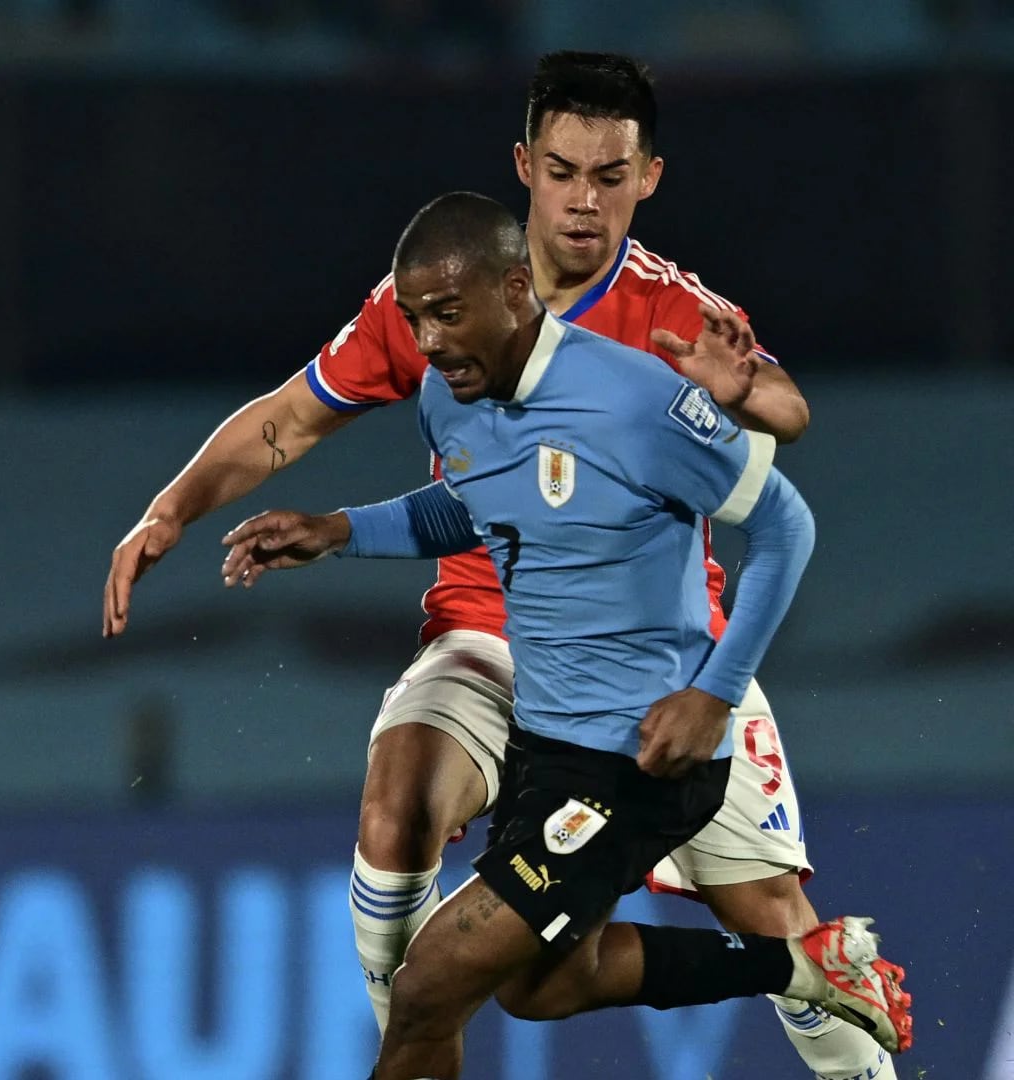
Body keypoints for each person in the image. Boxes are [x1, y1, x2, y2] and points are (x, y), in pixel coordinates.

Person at [104, 51, 894, 1079]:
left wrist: (750, 396)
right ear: (524, 166)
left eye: (610, 177)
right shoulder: (441, 298)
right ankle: (420, 1043)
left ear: (647, 178)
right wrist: (176, 510)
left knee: (764, 912)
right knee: (399, 808)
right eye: (563, 171)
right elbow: (293, 422)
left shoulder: (661, 319)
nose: (584, 201)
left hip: (655, 659)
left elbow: (780, 425)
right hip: (489, 627)